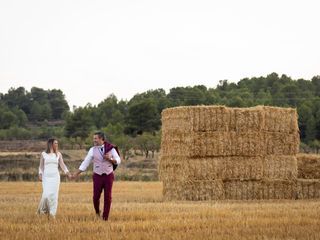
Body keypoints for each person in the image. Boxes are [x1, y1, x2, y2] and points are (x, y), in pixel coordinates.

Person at [73, 131, 121, 221]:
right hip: (97, 175)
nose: (94, 140)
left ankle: (105, 218)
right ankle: (97, 212)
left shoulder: (111, 149)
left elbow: (118, 160)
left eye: (95, 138)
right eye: (94, 138)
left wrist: (110, 159)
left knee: (108, 197)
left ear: (102, 139)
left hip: (108, 175)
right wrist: (77, 173)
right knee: (95, 197)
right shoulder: (92, 150)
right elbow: (85, 163)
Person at [37, 138, 71, 218]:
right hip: (46, 177)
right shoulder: (43, 154)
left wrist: (67, 173)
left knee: (54, 196)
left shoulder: (58, 154)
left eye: (57, 143)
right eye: (55, 143)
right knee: (45, 195)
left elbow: (62, 165)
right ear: (51, 144)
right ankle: (42, 210)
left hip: (55, 177)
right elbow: (41, 166)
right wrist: (40, 174)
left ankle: (52, 213)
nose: (57, 145)